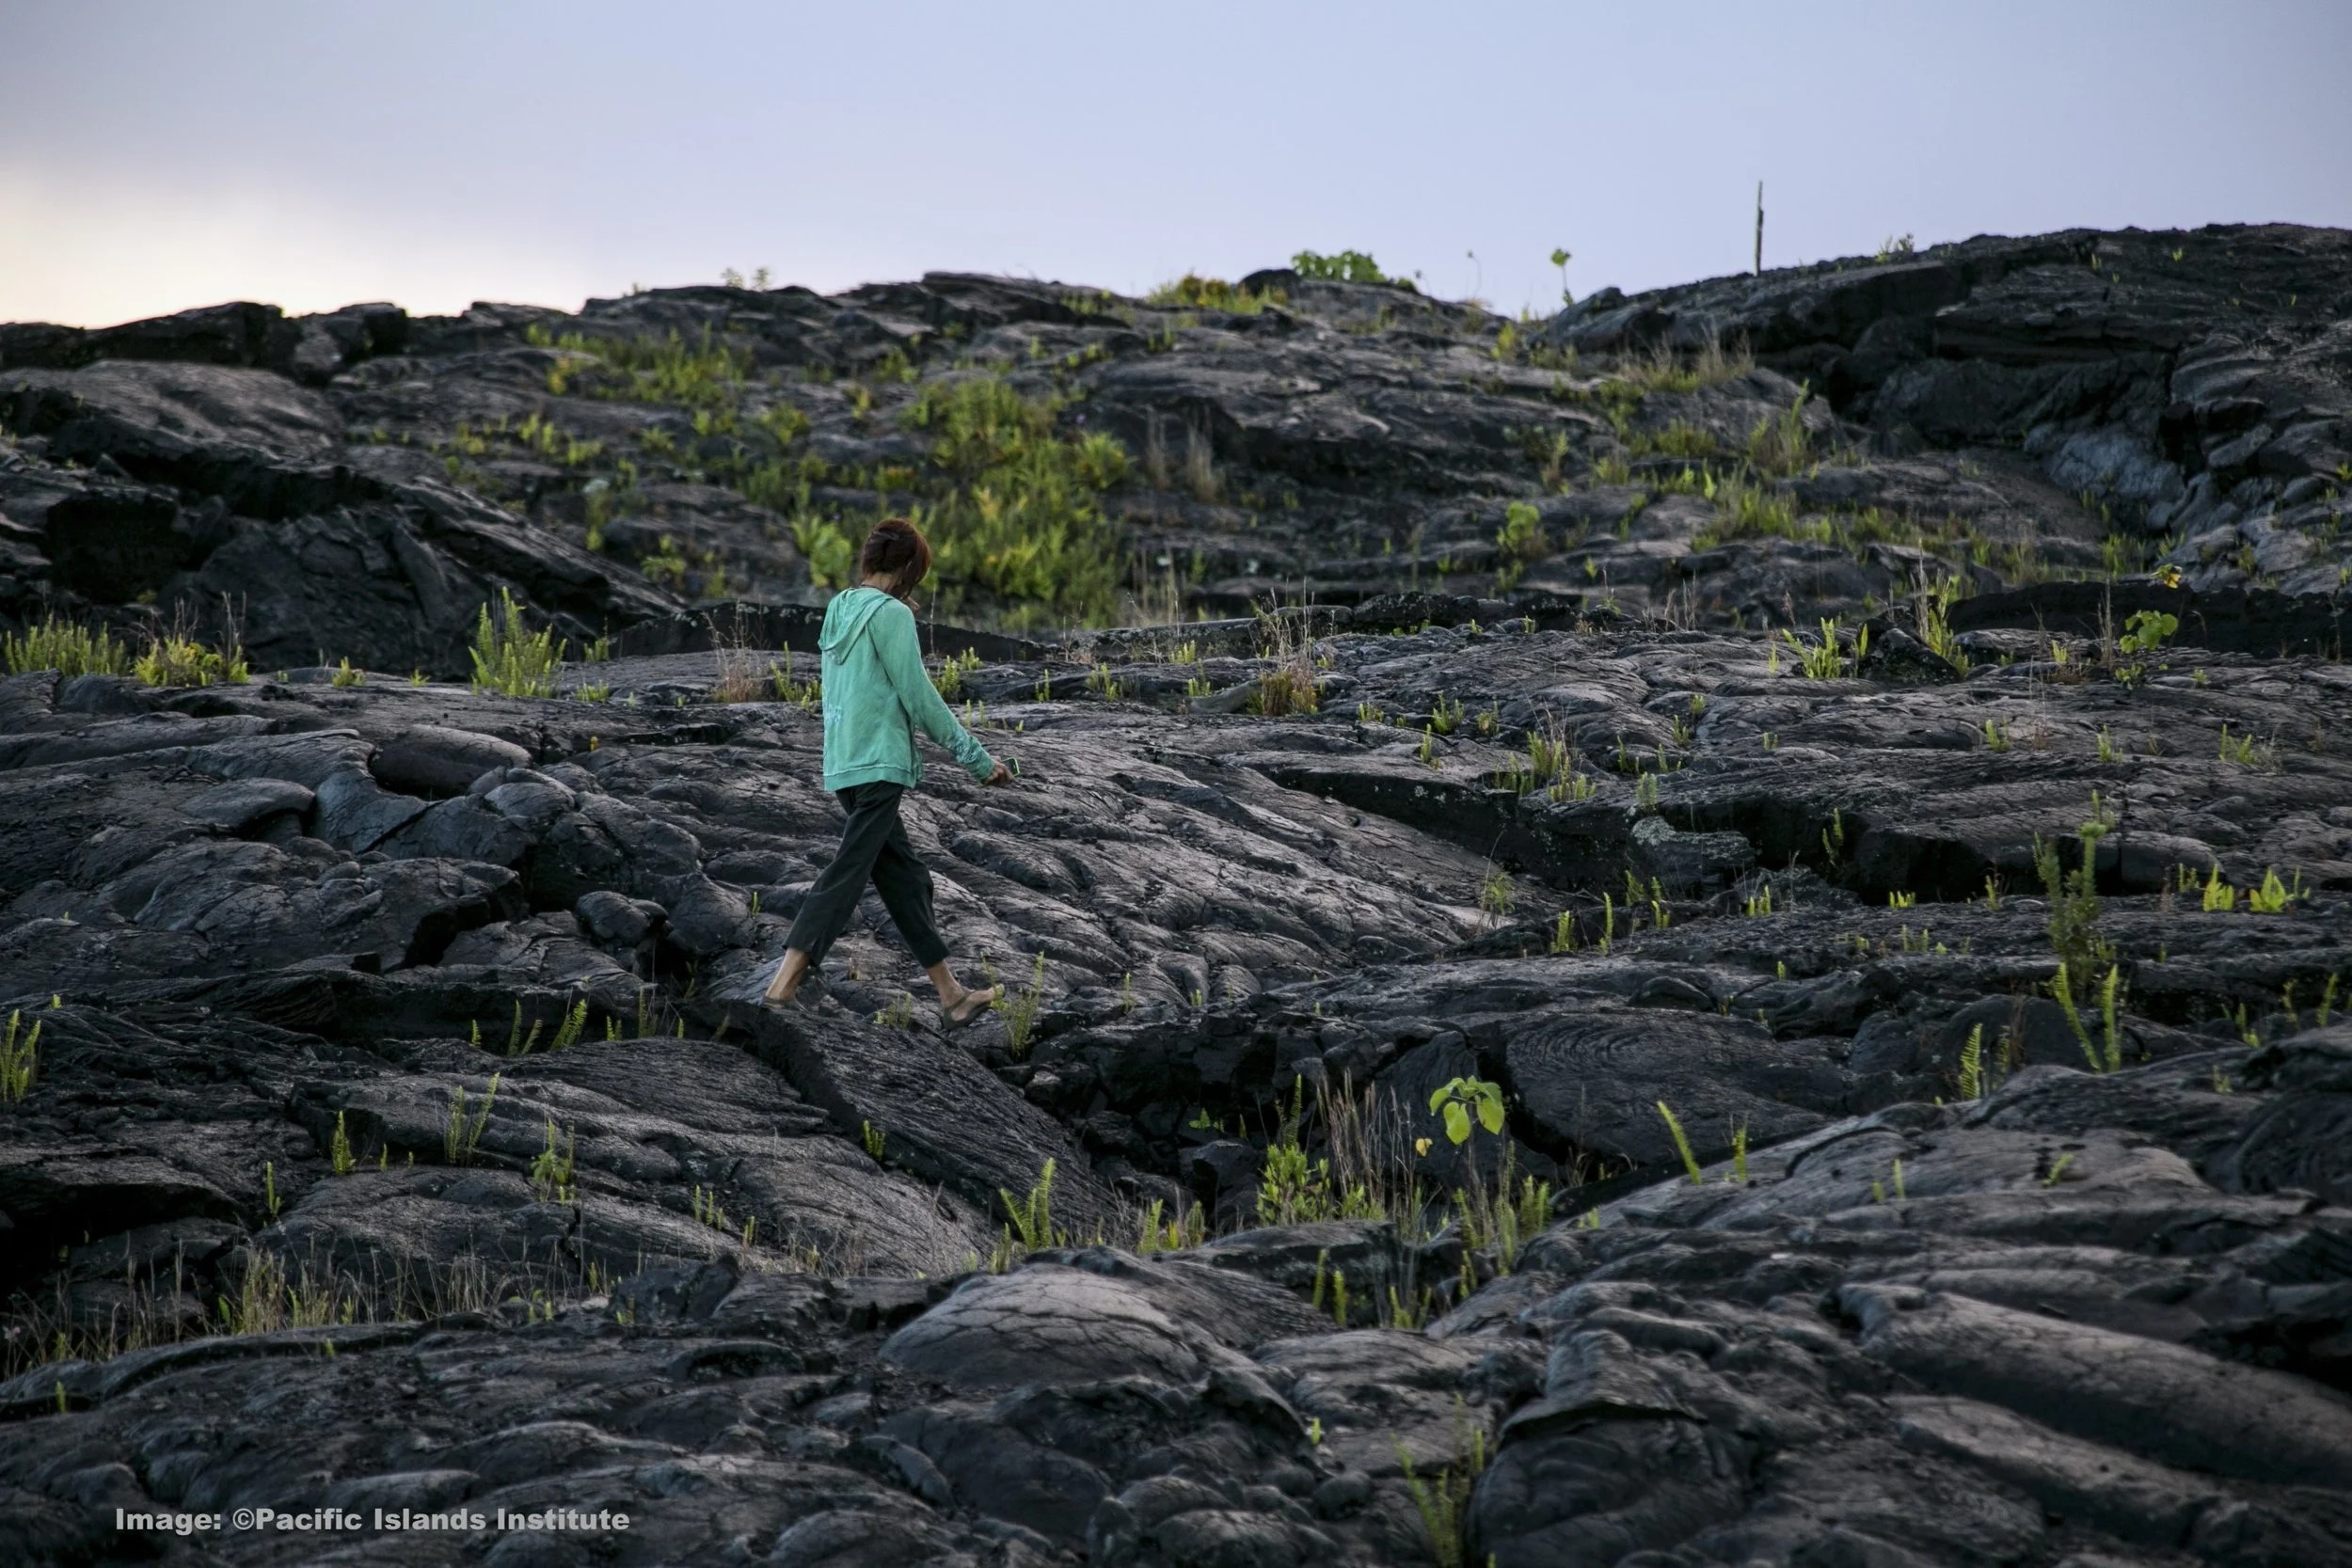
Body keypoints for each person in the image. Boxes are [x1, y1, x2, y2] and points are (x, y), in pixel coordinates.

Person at [763, 517, 1010, 1028]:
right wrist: (978, 761)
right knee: (847, 873)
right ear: (909, 568)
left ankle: (952, 996)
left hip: (844, 763)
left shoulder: (841, 607)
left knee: (905, 878)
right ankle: (783, 984)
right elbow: (919, 698)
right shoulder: (892, 615)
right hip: (879, 764)